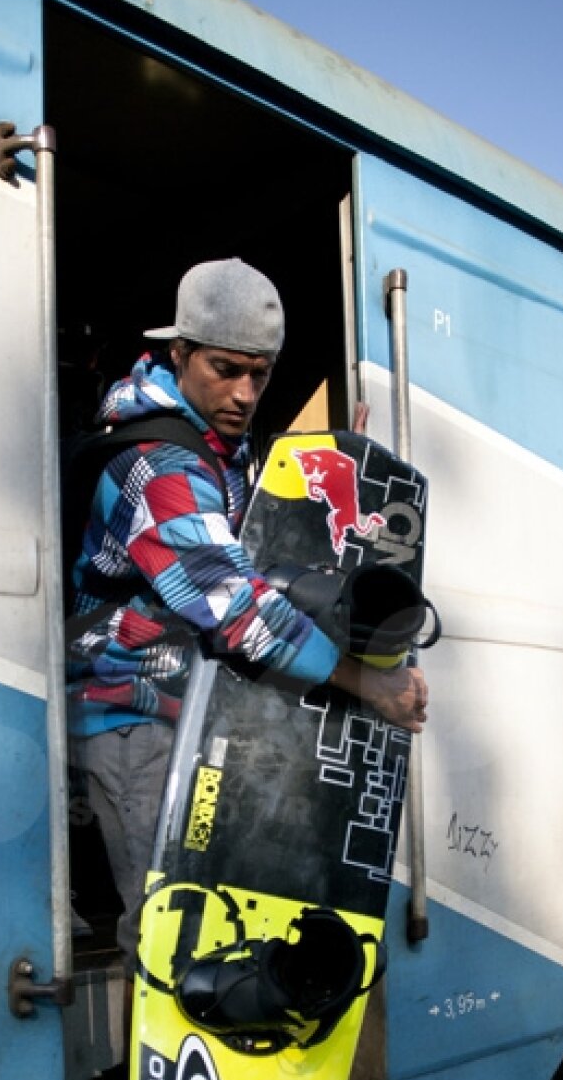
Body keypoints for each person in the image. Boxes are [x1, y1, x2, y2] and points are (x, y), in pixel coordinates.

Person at [68, 258, 430, 973]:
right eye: (225, 369)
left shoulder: (212, 446)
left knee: (214, 927)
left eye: (259, 375)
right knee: (170, 940)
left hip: (186, 709)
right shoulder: (159, 465)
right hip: (133, 717)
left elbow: (248, 552)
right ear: (180, 353)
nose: (243, 393)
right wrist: (369, 684)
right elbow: (235, 609)